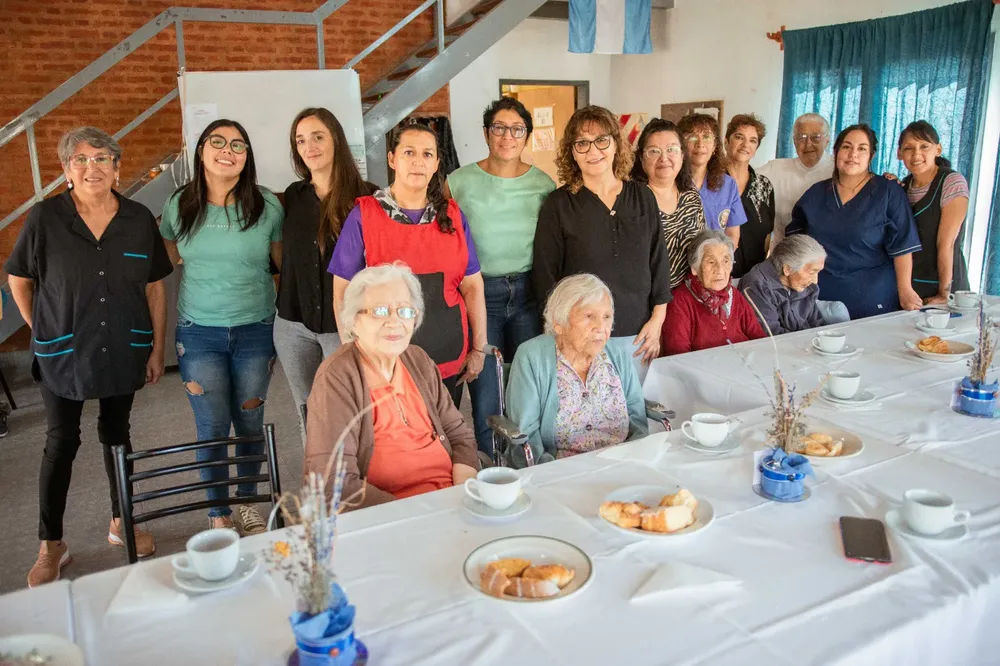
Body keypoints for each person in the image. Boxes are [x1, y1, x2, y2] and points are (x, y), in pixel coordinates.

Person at [5, 127, 172, 587]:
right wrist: (40, 331)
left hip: (124, 346)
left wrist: (157, 348)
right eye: (80, 159)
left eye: (101, 158)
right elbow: (19, 278)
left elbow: (155, 286)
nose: (91, 167)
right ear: (66, 170)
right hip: (63, 353)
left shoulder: (139, 218)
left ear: (117, 167)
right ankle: (51, 544)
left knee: (117, 436)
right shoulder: (45, 218)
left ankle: (122, 521)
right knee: (61, 443)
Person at [160, 119, 284, 536]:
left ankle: (247, 502)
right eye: (218, 142)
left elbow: (280, 265)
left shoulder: (266, 204)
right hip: (198, 333)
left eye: (238, 144)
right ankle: (218, 511)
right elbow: (170, 250)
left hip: (255, 330)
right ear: (201, 151)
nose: (227, 150)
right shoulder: (180, 204)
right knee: (211, 425)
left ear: (247, 156)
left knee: (249, 423)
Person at [330, 123, 487, 408]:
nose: (418, 161)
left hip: (447, 357)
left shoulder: (452, 214)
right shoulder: (364, 215)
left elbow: (473, 285)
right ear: (392, 159)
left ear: (437, 162)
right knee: (397, 443)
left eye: (427, 154)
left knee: (444, 436)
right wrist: (352, 351)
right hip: (385, 362)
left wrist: (479, 348)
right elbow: (342, 292)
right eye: (409, 152)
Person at [304, 263, 480, 509]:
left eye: (405, 311)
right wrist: (415, 513)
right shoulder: (337, 378)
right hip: (388, 517)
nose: (394, 322)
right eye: (380, 311)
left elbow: (459, 434)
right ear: (353, 321)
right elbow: (333, 481)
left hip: (449, 504)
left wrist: (462, 496)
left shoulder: (417, 360)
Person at [445, 98, 555, 458]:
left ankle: (525, 464)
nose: (508, 136)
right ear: (486, 133)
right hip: (480, 296)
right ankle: (490, 470)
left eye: (517, 129)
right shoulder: (458, 182)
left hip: (527, 295)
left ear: (527, 137)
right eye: (499, 128)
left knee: (526, 386)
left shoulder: (543, 184)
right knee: (487, 391)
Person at [533, 105, 671, 382]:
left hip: (638, 333)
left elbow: (658, 261)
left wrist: (657, 322)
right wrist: (563, 335)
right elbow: (545, 276)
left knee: (635, 415)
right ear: (571, 152)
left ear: (616, 144)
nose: (593, 151)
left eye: (601, 140)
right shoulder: (559, 204)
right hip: (581, 336)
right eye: (582, 143)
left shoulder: (642, 196)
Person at [276, 108, 376, 444]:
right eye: (300, 140)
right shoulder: (293, 196)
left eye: (318, 136)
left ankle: (352, 487)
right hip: (293, 324)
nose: (309, 146)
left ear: (336, 140)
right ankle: (316, 489)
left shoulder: (369, 197)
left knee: (350, 412)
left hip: (344, 327)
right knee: (308, 412)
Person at [505, 274, 647, 467]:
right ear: (559, 323)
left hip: (621, 467)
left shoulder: (618, 356)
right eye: (589, 317)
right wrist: (555, 473)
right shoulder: (532, 357)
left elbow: (638, 419)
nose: (601, 327)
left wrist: (632, 462)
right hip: (560, 473)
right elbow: (526, 434)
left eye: (606, 317)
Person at [786, 124, 922, 319]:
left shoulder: (889, 192)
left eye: (862, 149)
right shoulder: (815, 193)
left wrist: (906, 290)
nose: (853, 155)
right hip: (819, 299)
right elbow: (795, 243)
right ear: (835, 152)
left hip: (872, 300)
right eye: (847, 147)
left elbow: (903, 247)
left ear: (871, 156)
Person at [896, 120, 971, 303]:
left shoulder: (951, 182)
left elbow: (946, 245)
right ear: (899, 153)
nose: (916, 154)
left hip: (946, 286)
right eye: (909, 148)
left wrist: (944, 295)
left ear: (938, 150)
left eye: (924, 147)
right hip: (911, 287)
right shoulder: (901, 187)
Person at [630, 118, 707, 288]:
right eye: (654, 151)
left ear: (682, 155)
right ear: (642, 158)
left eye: (671, 149)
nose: (664, 158)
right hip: (643, 299)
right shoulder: (630, 199)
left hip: (686, 297)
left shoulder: (691, 196)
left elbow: (700, 250)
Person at [662, 230, 765, 355]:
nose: (720, 270)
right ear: (694, 268)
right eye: (711, 262)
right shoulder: (680, 301)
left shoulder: (734, 294)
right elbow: (677, 355)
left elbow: (759, 339)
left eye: (725, 261)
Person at [759, 113, 834, 245]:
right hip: (784, 253)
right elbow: (742, 178)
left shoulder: (839, 169)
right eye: (801, 137)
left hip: (827, 255)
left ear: (827, 140)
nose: (808, 144)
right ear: (794, 141)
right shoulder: (776, 169)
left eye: (816, 137)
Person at [677, 113, 746, 248]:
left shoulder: (728, 185)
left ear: (715, 146)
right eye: (692, 137)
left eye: (707, 137)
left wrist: (720, 263)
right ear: (681, 144)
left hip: (715, 264)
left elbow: (732, 235)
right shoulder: (670, 183)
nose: (700, 144)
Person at [738, 235, 827, 335]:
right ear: (788, 269)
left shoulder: (807, 286)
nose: (815, 281)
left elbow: (817, 325)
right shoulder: (757, 285)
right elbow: (771, 336)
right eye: (811, 272)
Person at [725, 114, 775, 277]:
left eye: (753, 140)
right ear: (726, 141)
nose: (745, 144)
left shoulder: (764, 186)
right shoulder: (711, 182)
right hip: (717, 278)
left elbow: (767, 236)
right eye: (739, 137)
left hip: (753, 278)